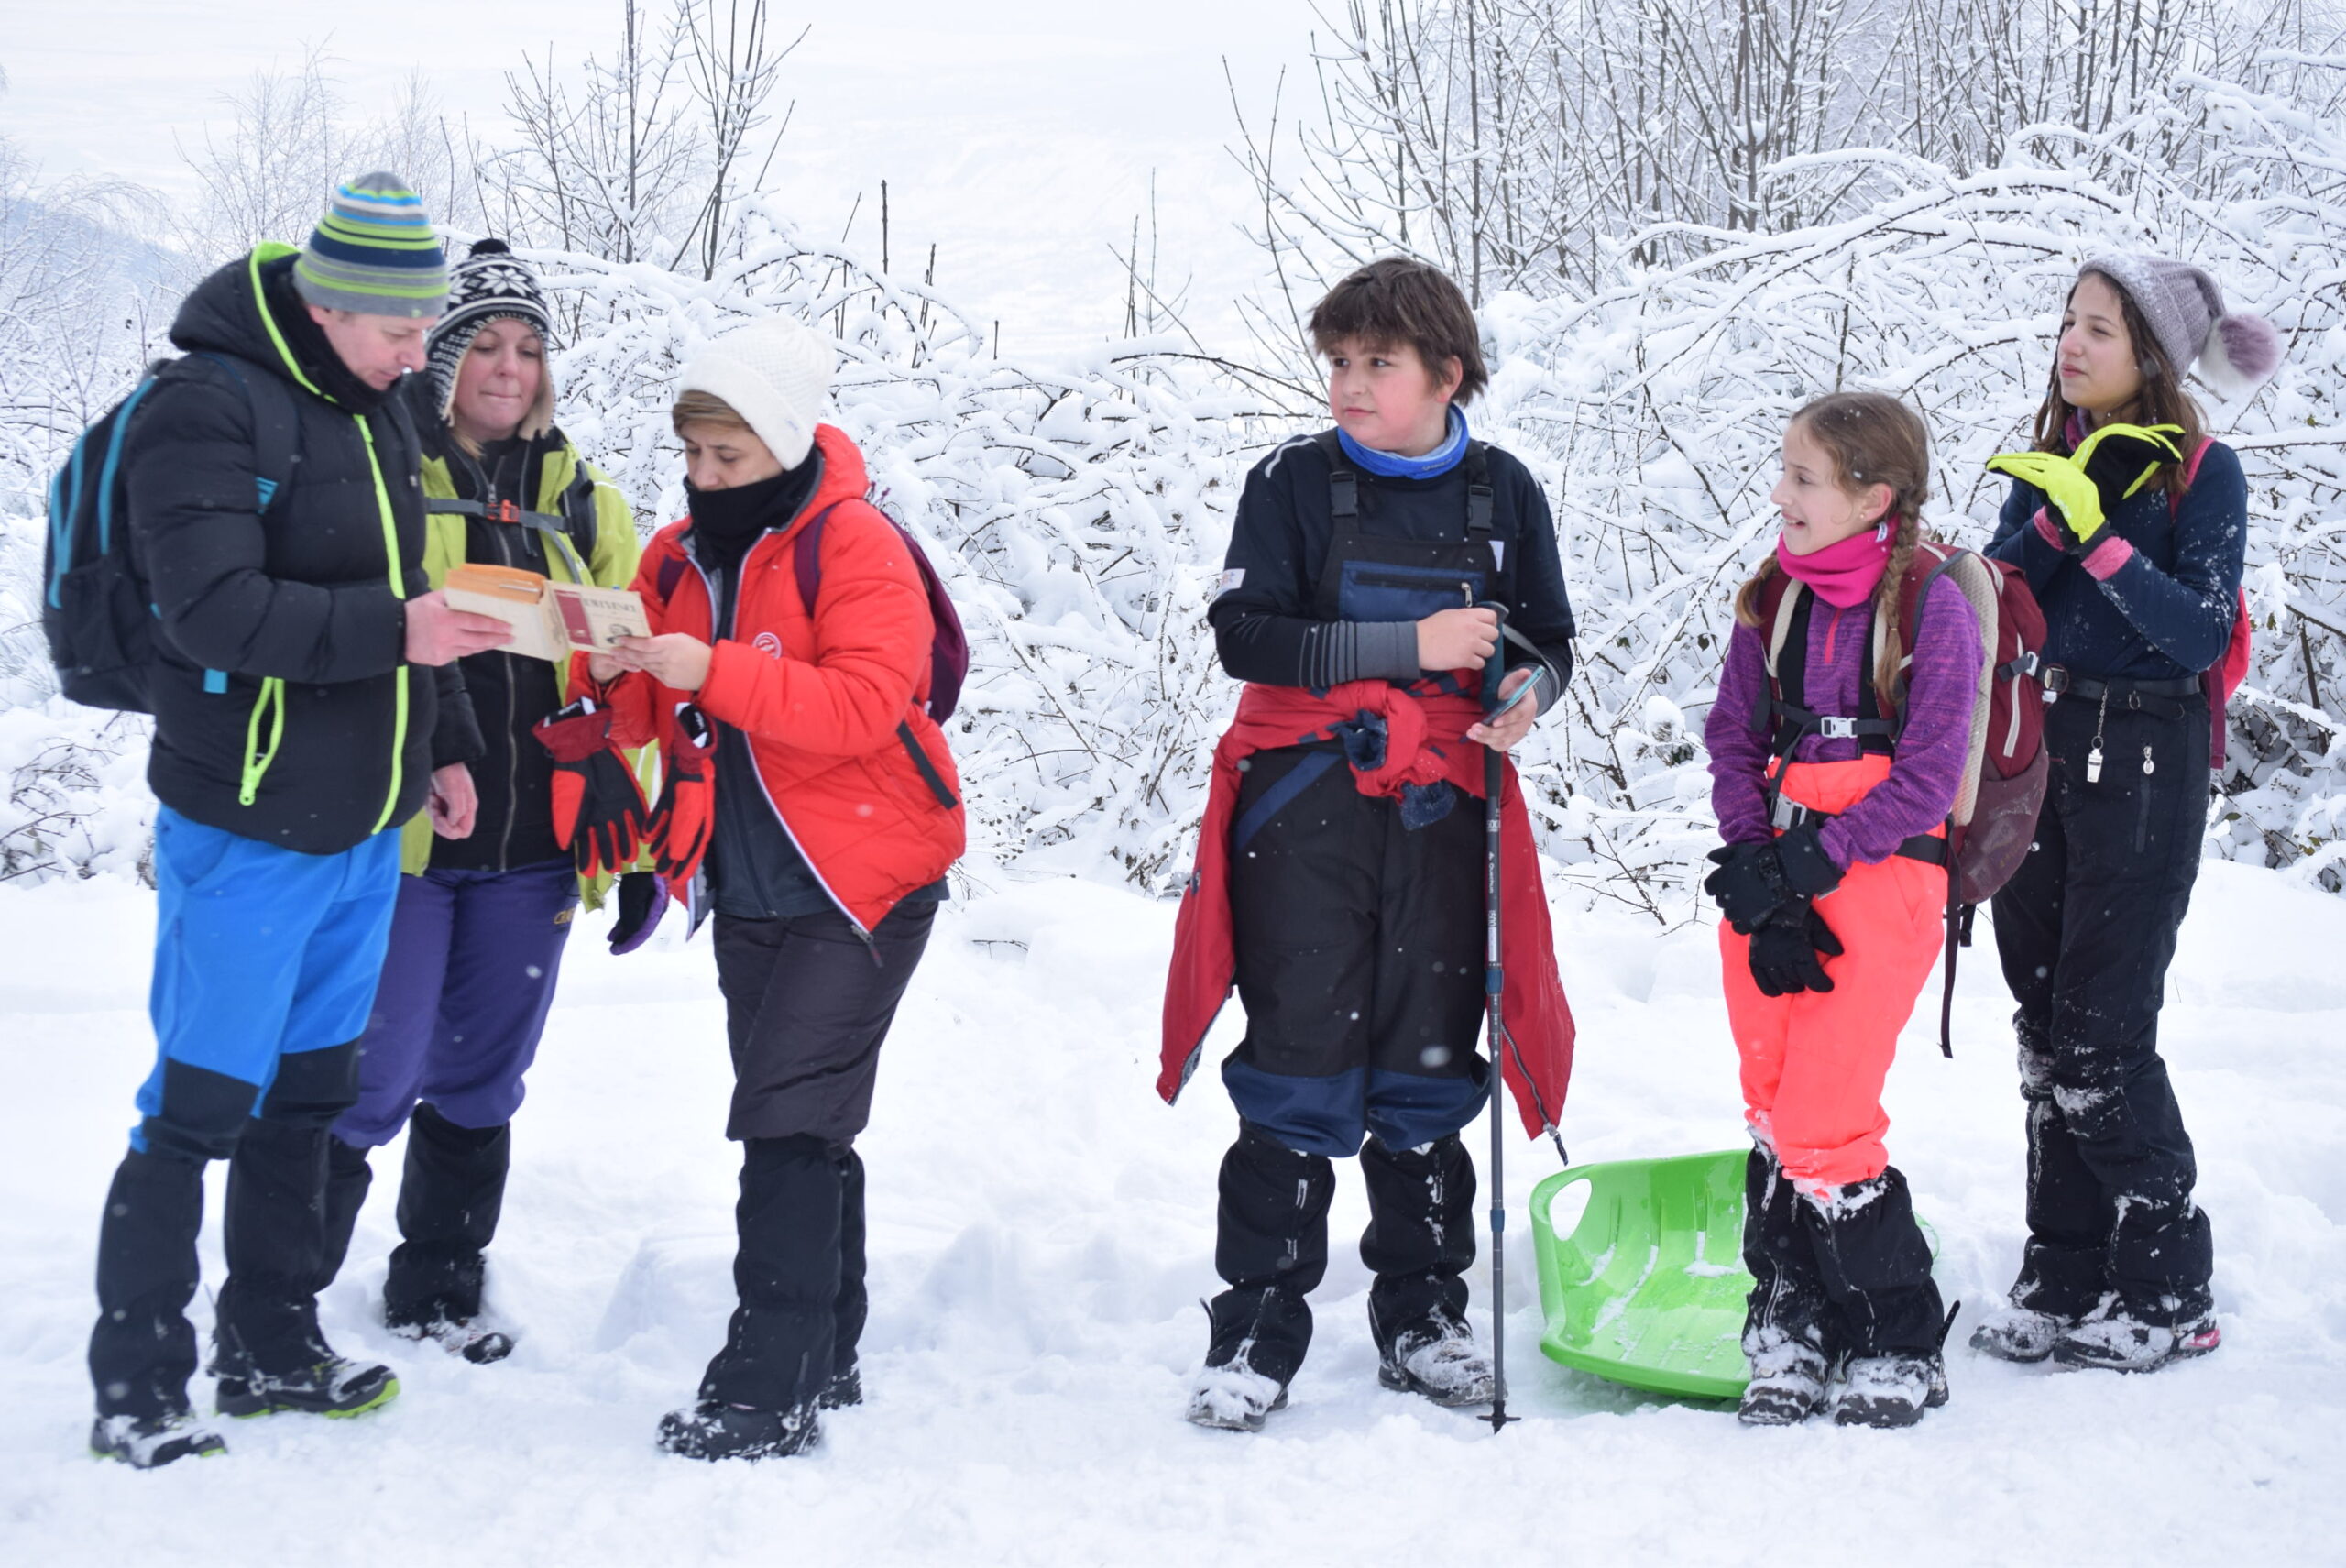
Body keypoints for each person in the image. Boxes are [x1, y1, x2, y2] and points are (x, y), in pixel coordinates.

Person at [89, 172, 511, 1469]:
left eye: (425, 327)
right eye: (399, 328)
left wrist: (444, 742)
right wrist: (398, 633)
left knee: (310, 1093)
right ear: (327, 305)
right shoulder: (206, 406)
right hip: (248, 819)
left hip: (366, 820)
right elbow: (209, 611)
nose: (417, 353)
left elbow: (406, 584)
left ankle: (271, 1345)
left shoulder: (373, 406)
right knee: (198, 1100)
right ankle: (137, 1384)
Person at [1158, 256, 1577, 1433]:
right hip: (1303, 808)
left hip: (1445, 813)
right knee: (1295, 1059)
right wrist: (1408, 645)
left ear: (1446, 373)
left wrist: (1525, 693)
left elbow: (1548, 637)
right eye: (1337, 360)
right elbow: (1245, 636)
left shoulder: (1504, 492)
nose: (1346, 383)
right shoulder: (1291, 483)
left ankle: (1424, 1315)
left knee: (1427, 1064)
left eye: (1375, 363)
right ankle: (1255, 1326)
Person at [589, 315, 963, 1461]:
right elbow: (648, 715)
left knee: (785, 1121)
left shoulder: (853, 543)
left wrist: (716, 669)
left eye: (729, 456)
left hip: (865, 878)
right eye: (693, 455)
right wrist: (610, 668)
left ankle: (764, 1386)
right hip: (744, 879)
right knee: (804, 1117)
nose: (704, 477)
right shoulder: (674, 557)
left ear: (787, 442)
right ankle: (829, 1349)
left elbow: (863, 706)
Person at [316, 239, 650, 1365]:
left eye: (528, 347)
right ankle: (281, 1295)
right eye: (484, 345)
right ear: (440, 356)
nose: (508, 367)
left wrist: (633, 836)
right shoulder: (384, 472)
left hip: (537, 842)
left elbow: (632, 677)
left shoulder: (585, 500)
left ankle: (440, 1286)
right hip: (405, 835)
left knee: (480, 1077)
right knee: (370, 1075)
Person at [1969, 256, 2277, 1373]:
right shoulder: (2047, 460)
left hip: (2145, 756)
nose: (2070, 342)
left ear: (2150, 354)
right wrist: (2050, 525)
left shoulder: (2203, 472)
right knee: (2044, 1029)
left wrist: (2100, 536)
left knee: (2102, 1036)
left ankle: (2166, 1285)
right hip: (2037, 749)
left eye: (2098, 328)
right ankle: (2063, 1267)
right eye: (2068, 321)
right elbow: (1991, 608)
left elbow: (2196, 632)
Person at [1703, 392, 1982, 1428]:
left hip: (1878, 869)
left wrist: (1813, 861)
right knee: (1773, 1101)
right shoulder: (1774, 596)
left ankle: (1898, 1334)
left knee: (1827, 1115)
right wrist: (1756, 862)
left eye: (1804, 477)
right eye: (1783, 469)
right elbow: (1734, 737)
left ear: (1874, 497)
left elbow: (1928, 773)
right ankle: (1792, 1321)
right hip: (1775, 865)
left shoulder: (1929, 604)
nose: (1780, 492)